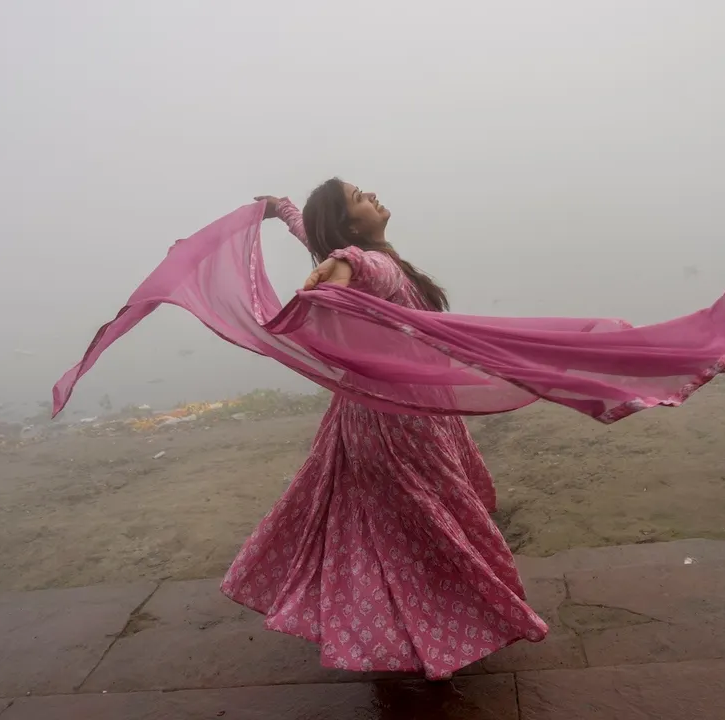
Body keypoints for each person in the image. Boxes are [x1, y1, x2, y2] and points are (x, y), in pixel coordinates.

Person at [219, 179, 548, 679]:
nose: (371, 194)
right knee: (435, 524)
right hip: (399, 422)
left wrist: (282, 209)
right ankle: (452, 626)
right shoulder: (375, 265)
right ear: (351, 226)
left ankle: (403, 629)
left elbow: (323, 242)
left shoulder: (366, 255)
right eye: (358, 197)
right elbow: (351, 262)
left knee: (396, 527)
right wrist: (342, 264)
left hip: (385, 413)